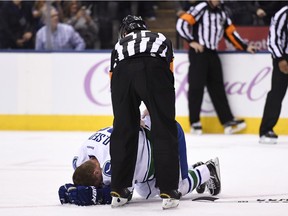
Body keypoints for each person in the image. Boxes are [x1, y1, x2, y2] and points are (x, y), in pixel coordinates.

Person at [58, 115, 221, 207]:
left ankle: (207, 170)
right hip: (151, 148)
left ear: (96, 171)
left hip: (166, 137)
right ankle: (193, 170)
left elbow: (122, 195)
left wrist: (96, 195)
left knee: (177, 187)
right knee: (146, 192)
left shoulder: (109, 164)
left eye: (99, 181)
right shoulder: (82, 157)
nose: (103, 184)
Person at [109, 15, 180, 209]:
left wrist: (127, 117)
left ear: (126, 30)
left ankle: (119, 189)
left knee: (123, 130)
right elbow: (168, 73)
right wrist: (157, 106)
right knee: (164, 128)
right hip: (155, 68)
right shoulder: (161, 38)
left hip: (122, 74)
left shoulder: (119, 45)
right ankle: (168, 189)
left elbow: (113, 80)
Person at [176, 0, 257, 135]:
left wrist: (245, 46)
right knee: (196, 87)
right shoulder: (201, 7)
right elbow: (182, 23)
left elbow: (230, 32)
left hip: (212, 53)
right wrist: (191, 41)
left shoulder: (222, 12)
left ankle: (227, 121)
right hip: (199, 53)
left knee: (217, 87)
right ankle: (194, 122)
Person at [259, 5, 288, 144]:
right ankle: (266, 130)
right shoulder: (283, 14)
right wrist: (280, 59)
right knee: (277, 93)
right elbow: (273, 38)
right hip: (284, 58)